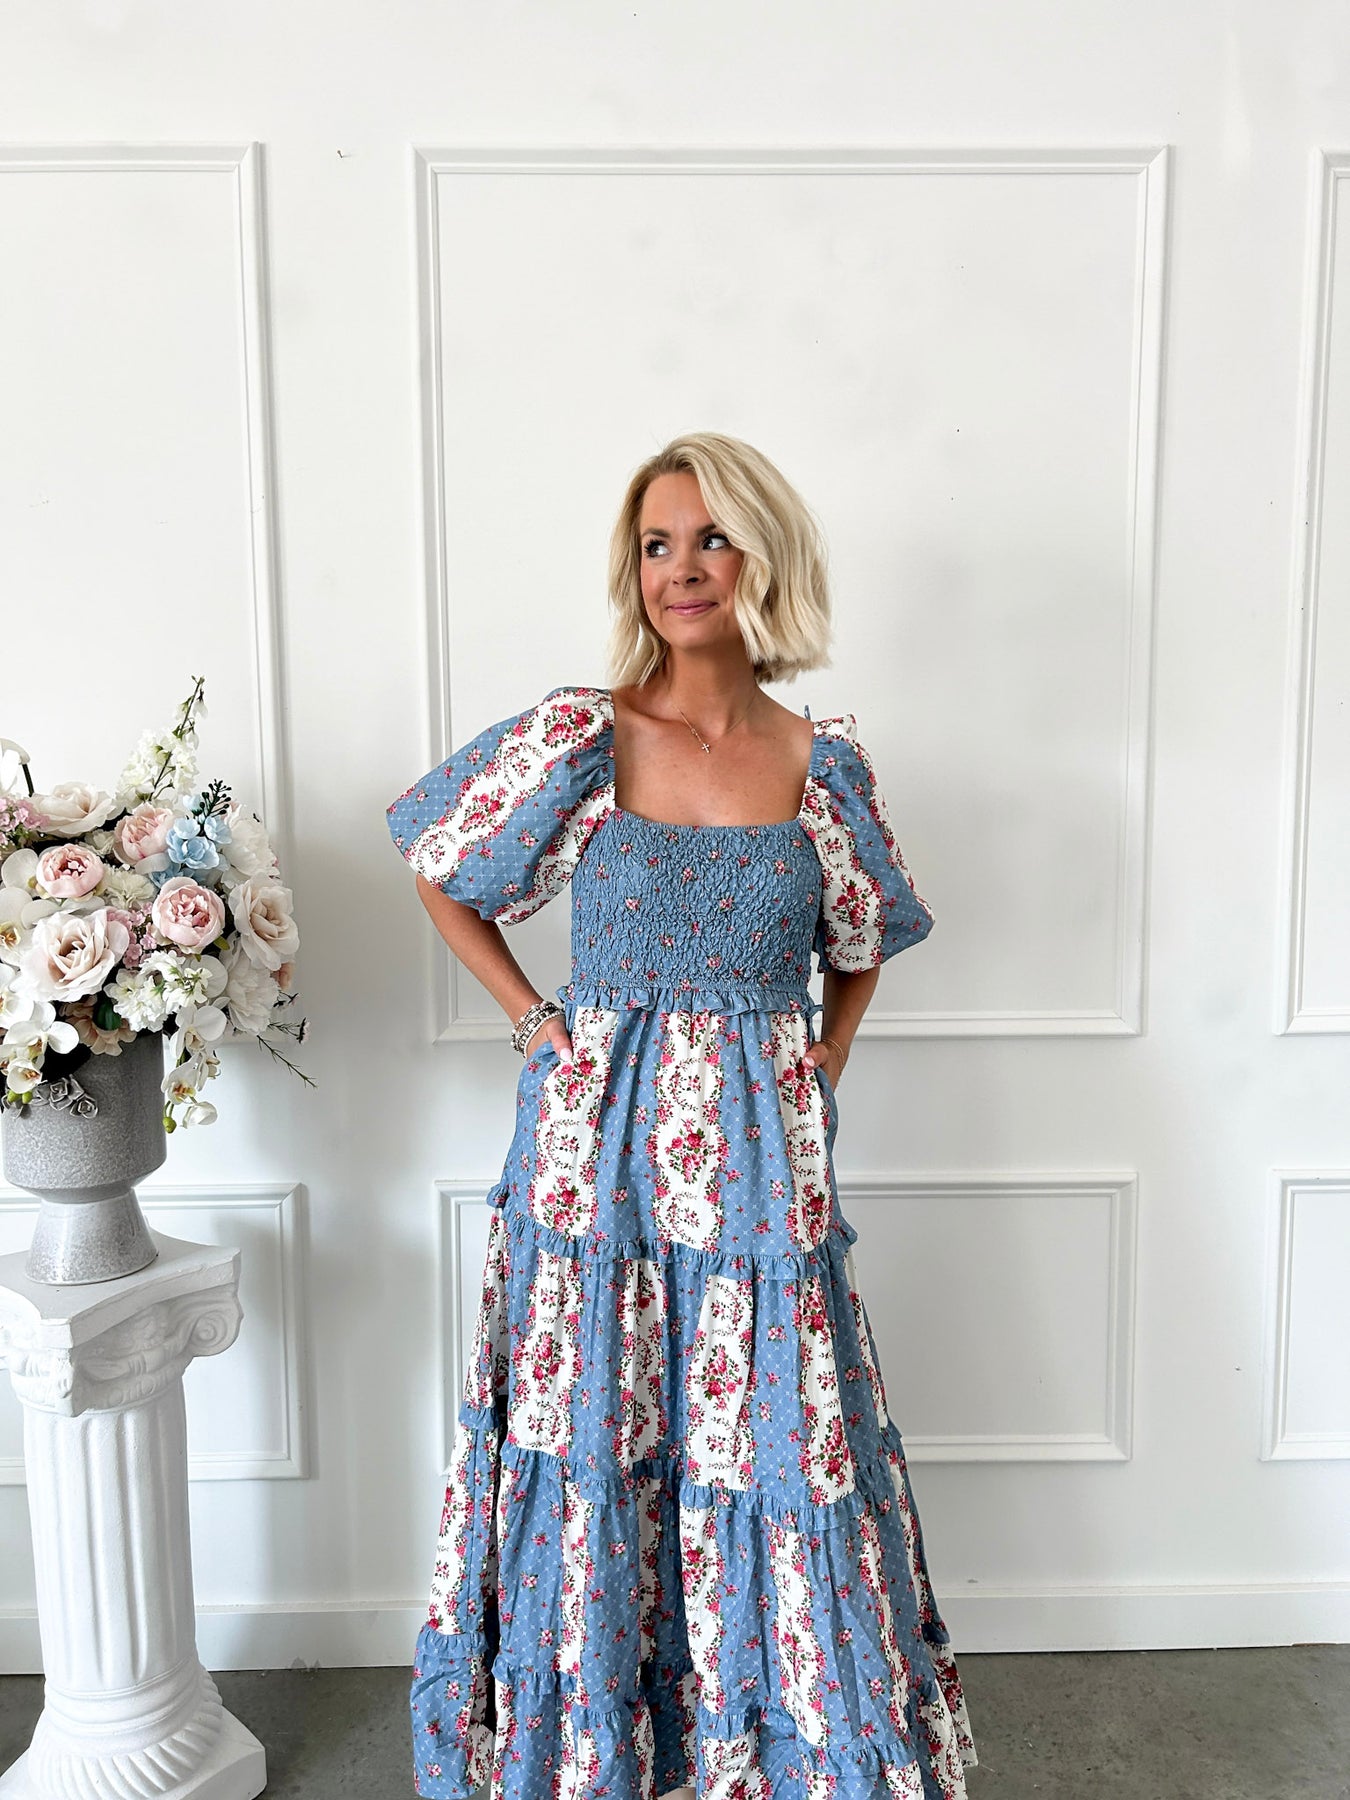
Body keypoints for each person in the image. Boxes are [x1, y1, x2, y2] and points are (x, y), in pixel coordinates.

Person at [386, 431, 978, 1799]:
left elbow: (861, 938)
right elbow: (440, 867)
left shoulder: (821, 763)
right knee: (594, 1430)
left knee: (776, 1439)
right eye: (657, 544)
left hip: (762, 1163)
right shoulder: (581, 740)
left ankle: (769, 1756)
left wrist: (823, 1061)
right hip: (595, 1156)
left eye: (711, 538)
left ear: (763, 557)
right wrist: (532, 1019)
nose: (682, 568)